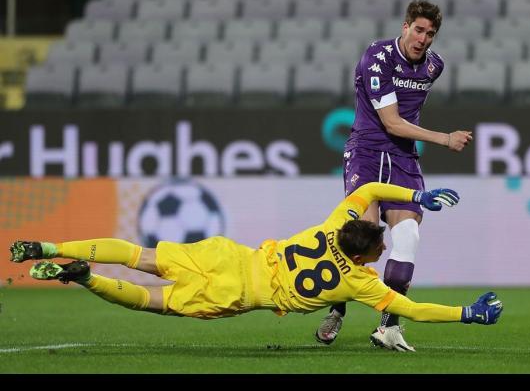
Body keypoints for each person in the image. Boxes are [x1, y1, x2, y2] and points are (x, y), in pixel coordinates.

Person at [10, 182, 502, 344]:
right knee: (147, 300)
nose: (384, 250)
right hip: (236, 293)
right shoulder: (358, 283)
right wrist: (468, 314)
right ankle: (84, 278)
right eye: (381, 248)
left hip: (228, 254)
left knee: (142, 255)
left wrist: (416, 195)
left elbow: (370, 191)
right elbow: (412, 311)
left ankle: (54, 249)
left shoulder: (332, 226)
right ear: (362, 256)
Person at [315, 0, 474, 351]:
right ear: (405, 27)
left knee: (407, 239)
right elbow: (391, 122)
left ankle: (388, 326)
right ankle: (337, 306)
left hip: (402, 160)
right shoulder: (377, 57)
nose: (423, 39)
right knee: (363, 242)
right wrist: (444, 139)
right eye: (418, 30)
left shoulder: (434, 66)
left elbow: (406, 119)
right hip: (367, 155)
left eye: (430, 33)